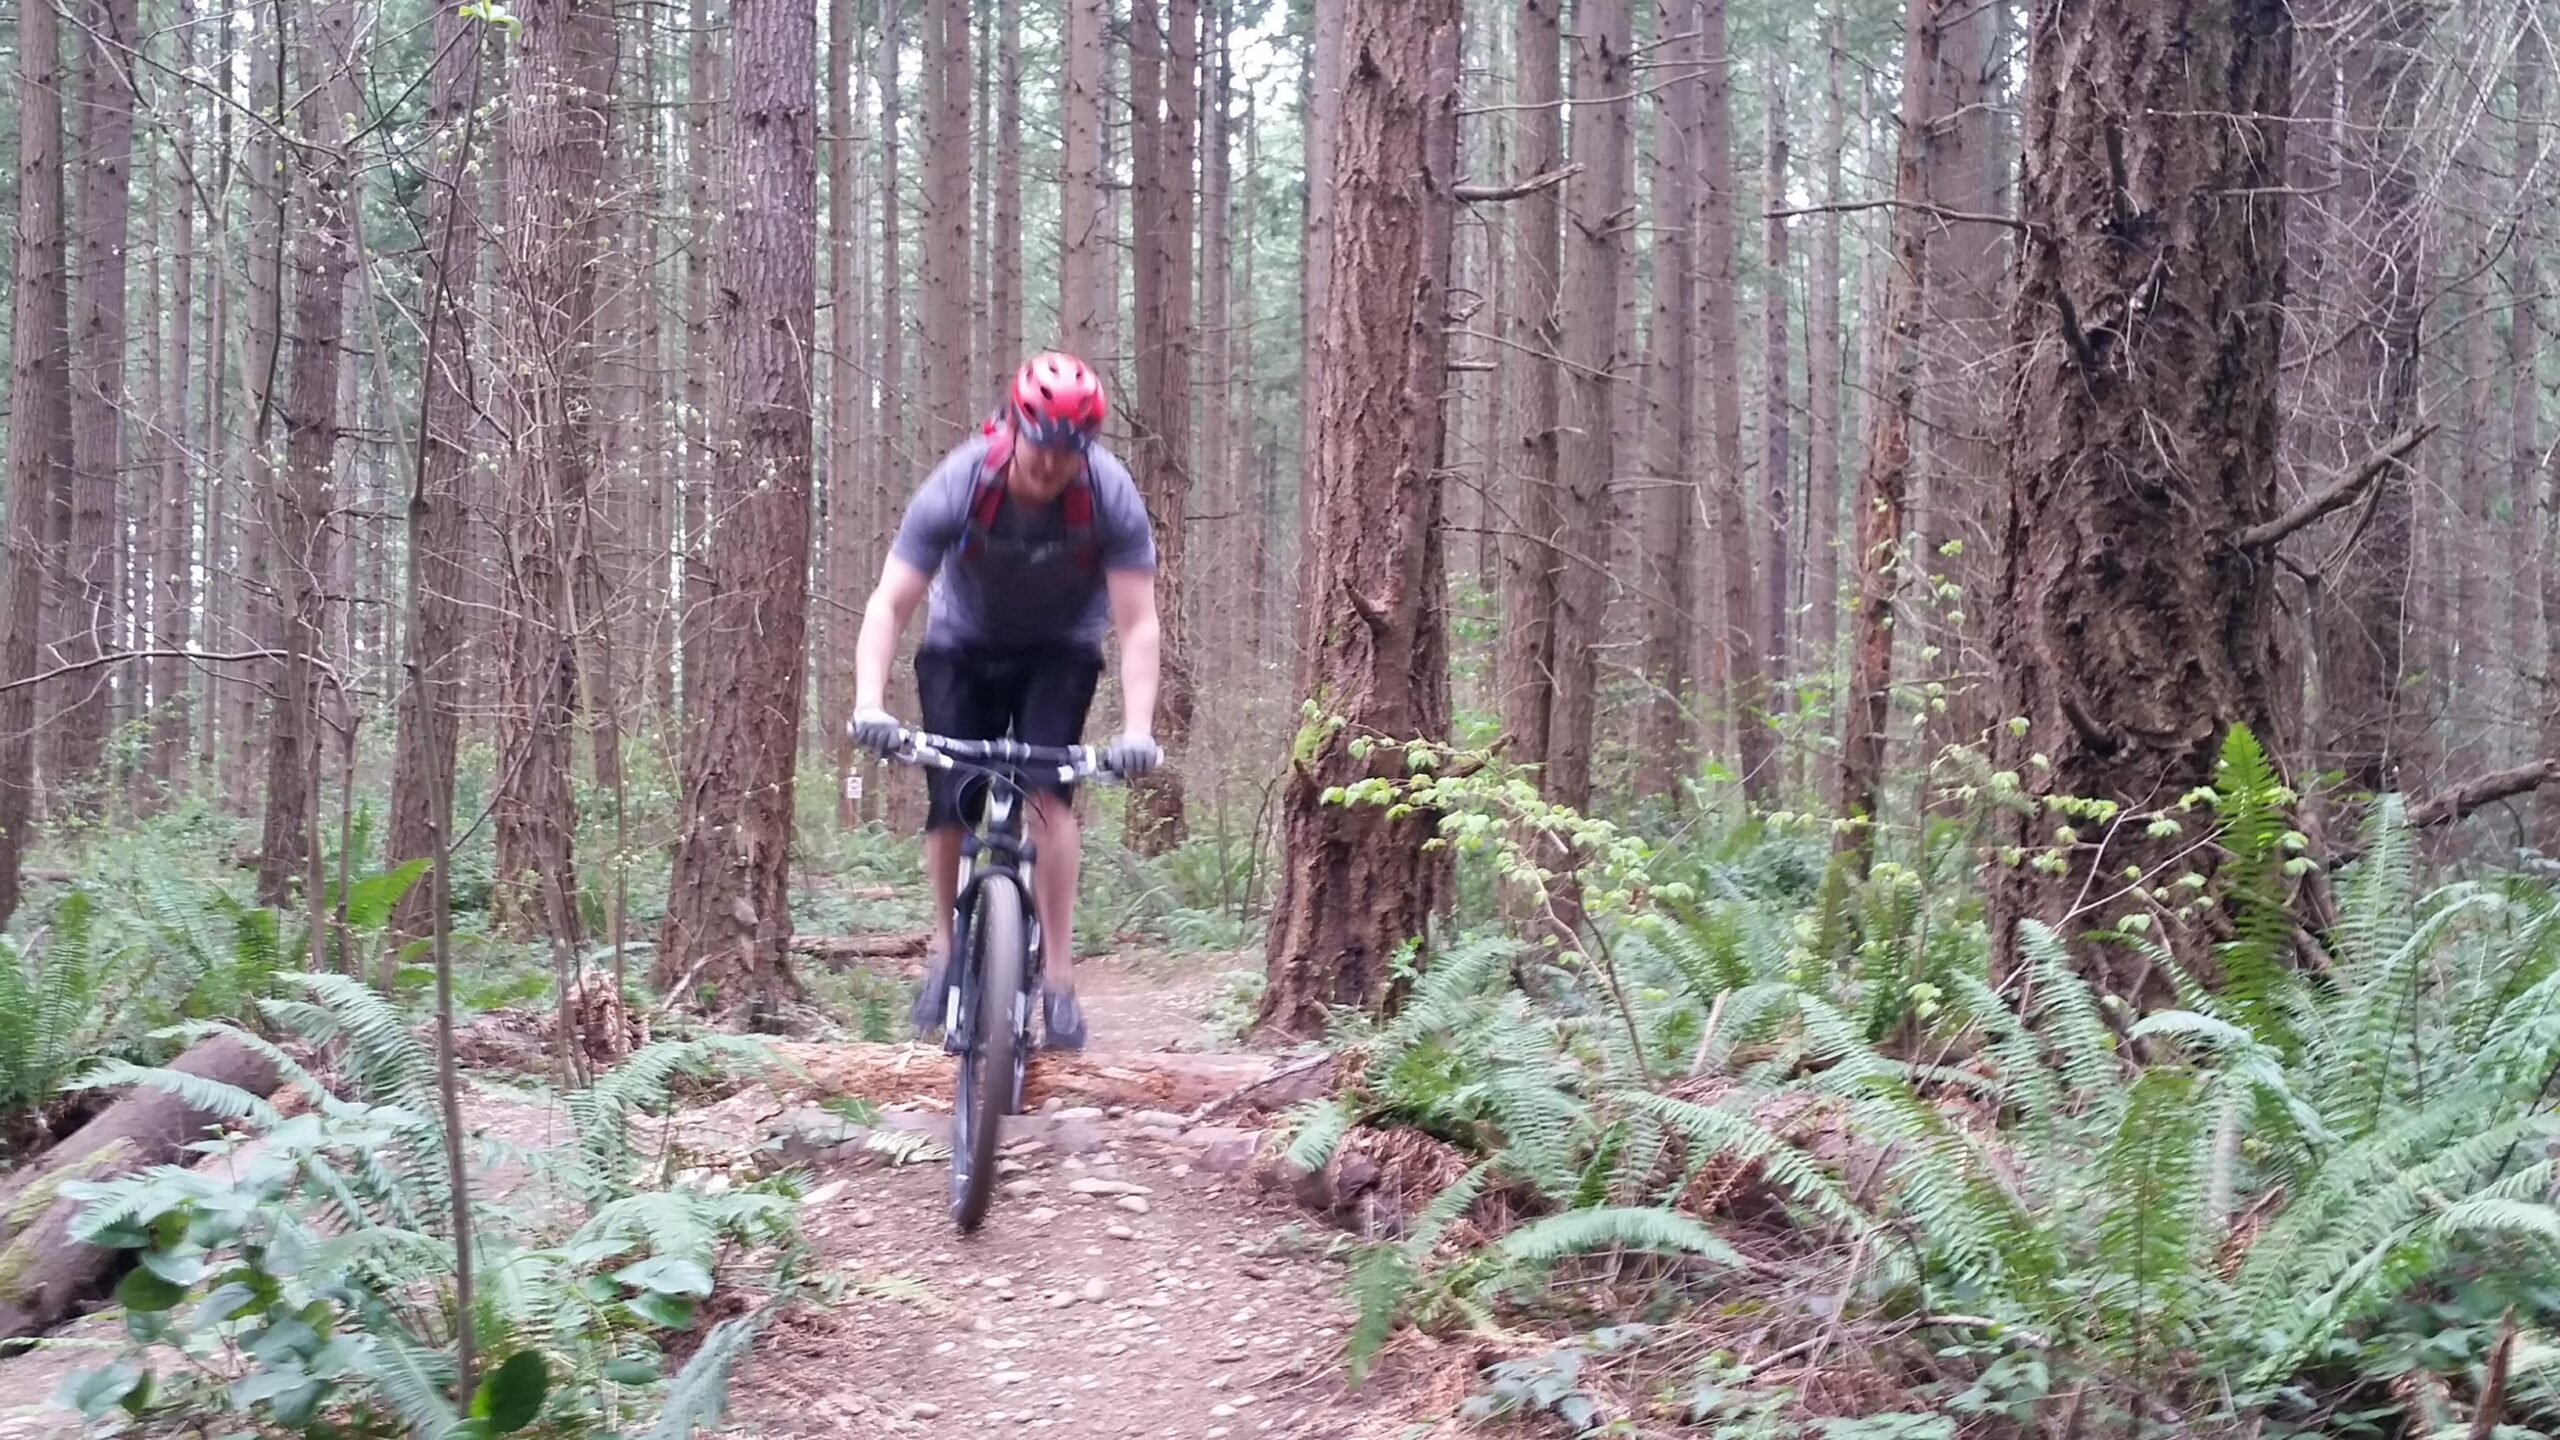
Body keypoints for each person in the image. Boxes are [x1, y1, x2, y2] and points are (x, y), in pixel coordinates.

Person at [848, 352, 1163, 1052]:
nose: (1052, 468)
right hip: (962, 644)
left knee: (1049, 796)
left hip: (1060, 652)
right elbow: (890, 602)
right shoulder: (961, 482)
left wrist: (1138, 728)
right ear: (1016, 426)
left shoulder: (1109, 496)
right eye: (1042, 448)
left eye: (1069, 454)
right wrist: (870, 703)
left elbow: (1139, 623)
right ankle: (944, 944)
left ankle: (1056, 977)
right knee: (949, 797)